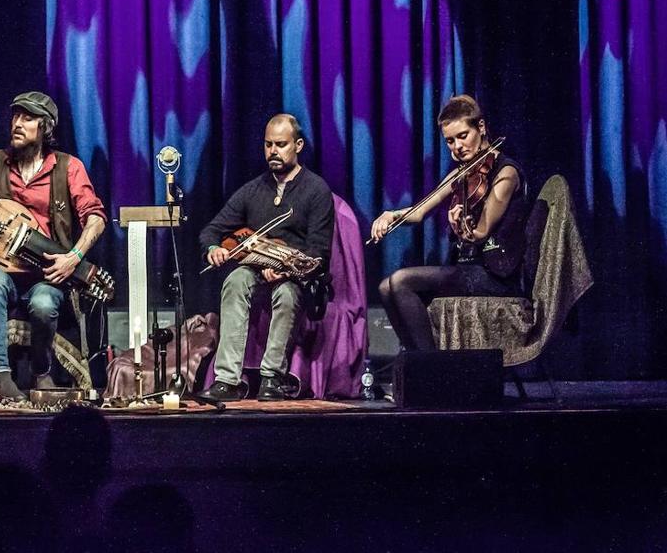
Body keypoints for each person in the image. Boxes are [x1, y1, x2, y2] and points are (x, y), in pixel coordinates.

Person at [0, 92, 107, 401]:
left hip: (47, 274)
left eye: (27, 118)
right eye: (15, 117)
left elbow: (96, 217)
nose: (18, 124)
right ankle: (1, 376)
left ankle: (41, 370)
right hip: (3, 268)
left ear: (46, 127)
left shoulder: (68, 167)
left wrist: (74, 256)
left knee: (42, 304)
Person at [371, 94, 528, 352]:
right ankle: (417, 362)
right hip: (468, 270)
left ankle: (433, 367)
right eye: (450, 141)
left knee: (400, 281)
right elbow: (420, 211)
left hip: (495, 275)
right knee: (385, 288)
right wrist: (391, 215)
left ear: (481, 127)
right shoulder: (461, 174)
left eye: (463, 136)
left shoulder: (506, 173)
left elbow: (480, 232)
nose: (457, 146)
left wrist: (463, 228)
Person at [197, 114, 334, 402]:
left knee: (285, 293)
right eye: (268, 144)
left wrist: (287, 269)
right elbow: (211, 230)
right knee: (235, 280)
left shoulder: (316, 190)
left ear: (298, 145)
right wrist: (213, 249)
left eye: (281, 144)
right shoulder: (253, 189)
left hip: (297, 276)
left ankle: (272, 377)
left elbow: (319, 251)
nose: (273, 151)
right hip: (256, 269)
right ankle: (227, 380)